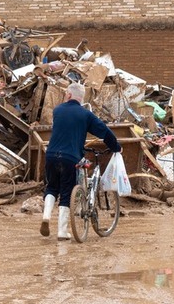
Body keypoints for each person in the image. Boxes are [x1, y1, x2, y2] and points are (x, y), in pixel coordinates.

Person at [42, 81, 121, 239]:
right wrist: (116, 147)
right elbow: (104, 132)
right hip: (70, 158)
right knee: (66, 193)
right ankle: (62, 231)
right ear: (80, 98)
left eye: (66, 94)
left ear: (69, 95)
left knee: (51, 188)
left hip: (51, 155)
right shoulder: (86, 115)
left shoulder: (57, 110)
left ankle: (46, 216)